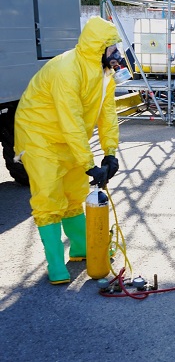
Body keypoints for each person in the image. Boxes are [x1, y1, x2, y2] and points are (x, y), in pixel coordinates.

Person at [14, 16, 124, 284]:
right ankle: (55, 264)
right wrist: (89, 162)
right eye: (111, 48)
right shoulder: (67, 69)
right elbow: (70, 119)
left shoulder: (104, 75)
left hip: (69, 140)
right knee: (49, 199)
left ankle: (80, 248)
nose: (117, 54)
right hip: (40, 136)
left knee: (75, 194)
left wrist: (110, 152)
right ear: (98, 48)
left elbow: (107, 113)